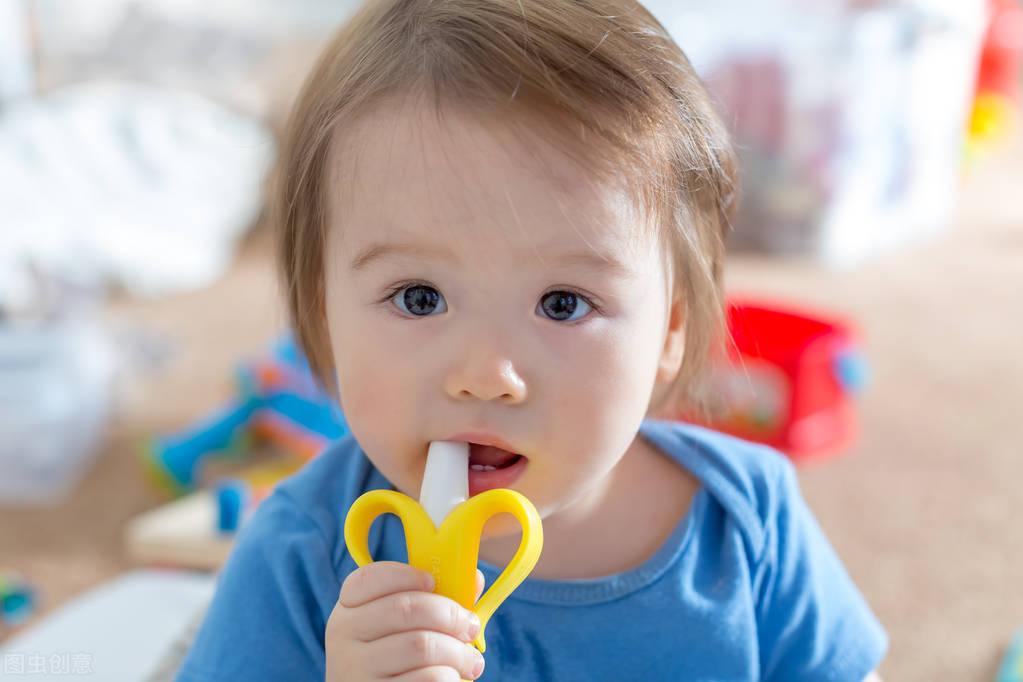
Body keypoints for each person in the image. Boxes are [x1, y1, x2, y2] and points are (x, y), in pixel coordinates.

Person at [175, 0, 888, 679]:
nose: (486, 375)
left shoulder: (746, 522)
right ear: (323, 314)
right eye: (418, 298)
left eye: (563, 303)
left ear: (670, 328)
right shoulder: (302, 554)